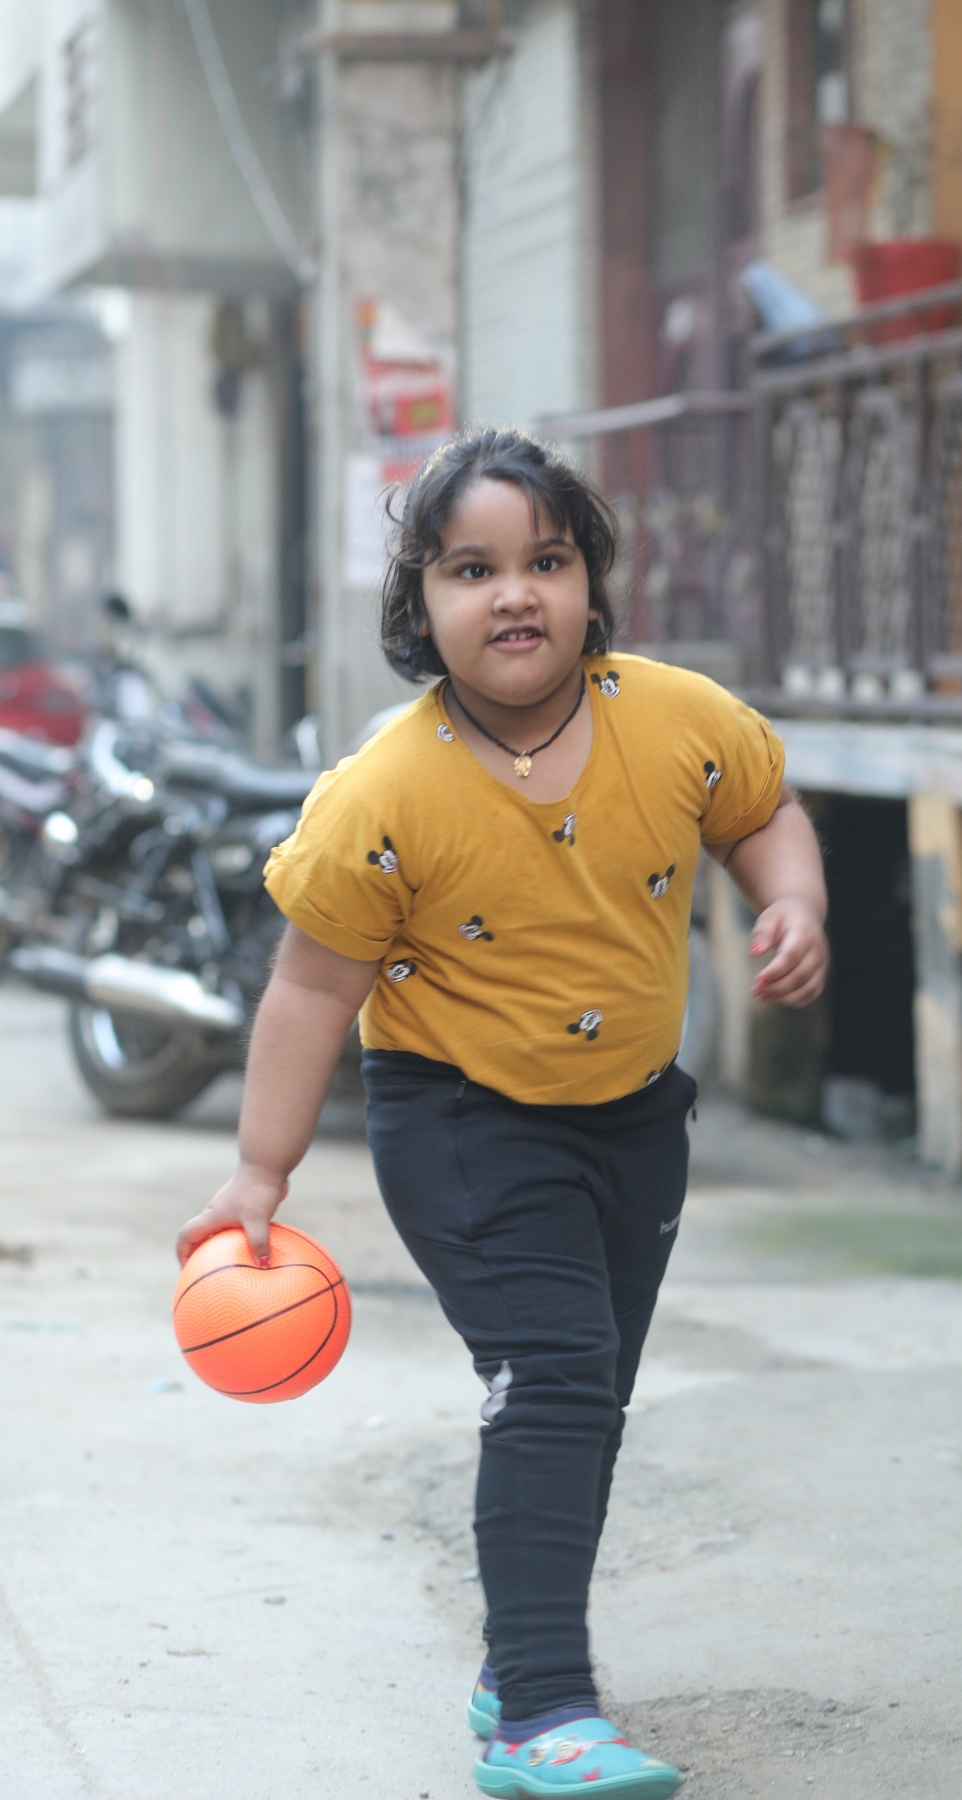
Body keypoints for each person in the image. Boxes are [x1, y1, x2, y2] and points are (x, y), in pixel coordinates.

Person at [176, 429, 828, 1799]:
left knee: (588, 1396)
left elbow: (764, 809)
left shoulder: (675, 717)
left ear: (594, 579)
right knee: (552, 1374)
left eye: (548, 558)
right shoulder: (385, 791)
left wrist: (795, 898)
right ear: (421, 604)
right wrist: (257, 1174)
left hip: (639, 1116)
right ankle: (540, 1708)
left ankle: (516, 1664)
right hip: (463, 1120)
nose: (516, 592)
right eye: (474, 568)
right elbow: (307, 989)